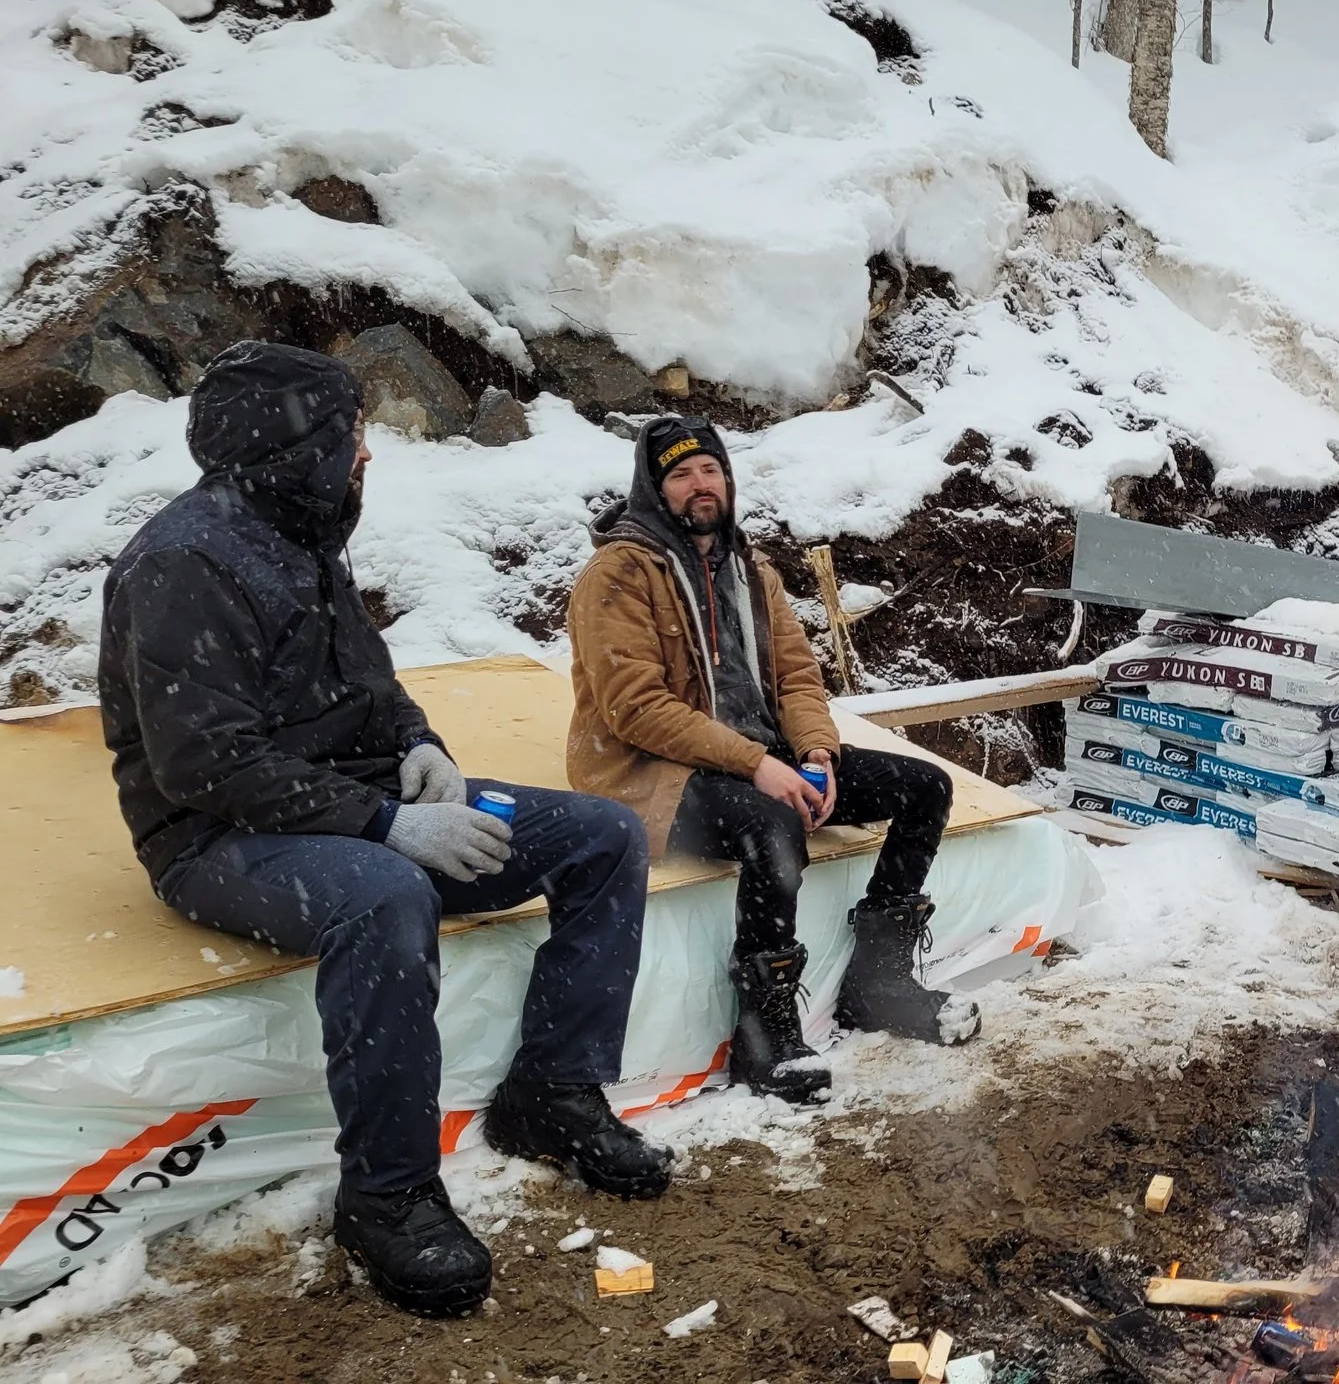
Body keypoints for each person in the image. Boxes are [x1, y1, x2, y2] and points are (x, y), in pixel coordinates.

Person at [96, 342, 672, 1319]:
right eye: (352, 433)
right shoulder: (183, 560)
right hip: (216, 837)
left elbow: (369, 681)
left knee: (603, 833)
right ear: (300, 443)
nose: (366, 452)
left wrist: (420, 744)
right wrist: (382, 823)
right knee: (385, 893)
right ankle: (389, 1193)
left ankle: (554, 1092)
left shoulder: (303, 531)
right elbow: (202, 763)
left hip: (357, 796)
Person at [566, 415, 977, 1104]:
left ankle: (878, 983)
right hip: (656, 774)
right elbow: (635, 709)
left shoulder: (749, 571)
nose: (701, 484)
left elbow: (795, 677)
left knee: (924, 786)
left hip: (765, 757)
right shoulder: (618, 574)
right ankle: (765, 1036)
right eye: (680, 473)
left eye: (711, 469)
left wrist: (816, 751)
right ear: (653, 488)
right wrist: (757, 765)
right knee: (773, 827)